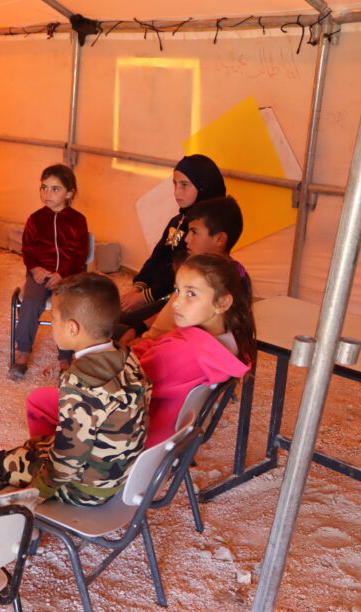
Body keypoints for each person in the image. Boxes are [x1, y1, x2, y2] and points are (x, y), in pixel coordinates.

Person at [26, 254, 255, 450]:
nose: (176, 302)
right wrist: (132, 349)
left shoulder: (187, 353)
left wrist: (93, 362)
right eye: (177, 290)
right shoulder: (218, 341)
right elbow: (154, 347)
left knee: (39, 400)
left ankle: (57, 462)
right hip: (167, 427)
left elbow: (125, 379)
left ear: (223, 303)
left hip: (136, 433)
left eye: (191, 294)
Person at [0, 273, 151, 506]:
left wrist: (35, 493)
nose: (52, 327)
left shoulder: (79, 381)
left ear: (72, 328)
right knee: (35, 445)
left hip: (86, 489)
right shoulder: (126, 354)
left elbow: (68, 459)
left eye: (54, 321)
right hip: (121, 473)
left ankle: (4, 523)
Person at [118, 154, 226, 337]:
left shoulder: (205, 228)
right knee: (113, 317)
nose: (176, 192)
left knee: (124, 327)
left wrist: (144, 298)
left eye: (184, 185)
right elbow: (157, 257)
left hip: (175, 297)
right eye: (175, 184)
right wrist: (138, 288)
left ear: (203, 186)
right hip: (156, 294)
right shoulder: (177, 220)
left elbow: (181, 271)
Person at [134, 195, 251, 343]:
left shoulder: (210, 280)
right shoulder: (198, 268)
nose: (187, 239)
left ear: (219, 239)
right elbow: (168, 311)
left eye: (194, 232)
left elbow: (172, 338)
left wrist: (139, 343)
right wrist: (138, 328)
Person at [10, 164, 89, 379]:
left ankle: (65, 355)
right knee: (30, 302)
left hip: (67, 276)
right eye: (44, 188)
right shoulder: (35, 219)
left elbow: (80, 254)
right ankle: (23, 352)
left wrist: (62, 273)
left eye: (55, 189)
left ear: (69, 193)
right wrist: (34, 268)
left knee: (63, 307)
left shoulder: (78, 221)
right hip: (39, 273)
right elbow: (27, 249)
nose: (47, 193)